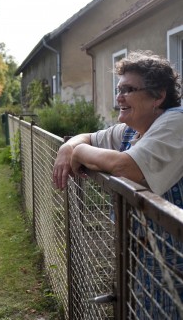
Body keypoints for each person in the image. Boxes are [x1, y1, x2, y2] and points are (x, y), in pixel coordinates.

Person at [53, 50, 183, 318]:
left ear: (158, 96)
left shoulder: (176, 121)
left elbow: (126, 167)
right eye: (118, 89)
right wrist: (69, 146)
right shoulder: (132, 129)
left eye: (128, 89)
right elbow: (88, 136)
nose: (118, 97)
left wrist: (78, 153)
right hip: (141, 255)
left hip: (175, 264)